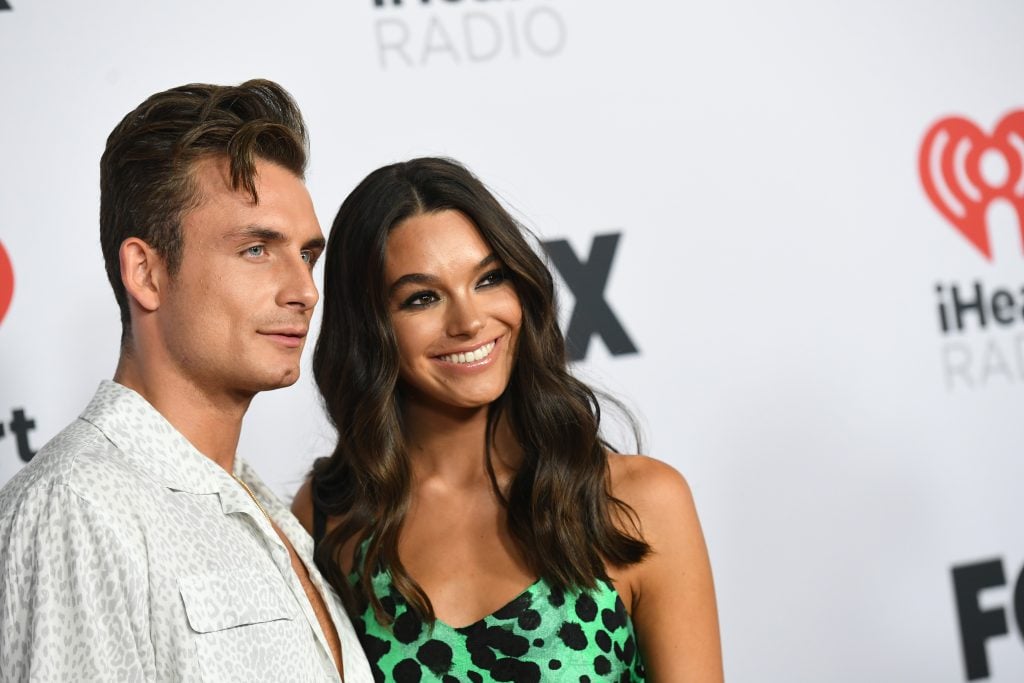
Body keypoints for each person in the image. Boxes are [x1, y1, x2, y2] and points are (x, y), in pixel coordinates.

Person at [293, 157, 722, 682]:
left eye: (489, 279)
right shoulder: (331, 516)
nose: (470, 321)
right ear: (369, 329)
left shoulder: (637, 502)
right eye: (422, 298)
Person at [0, 79, 372, 682]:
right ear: (145, 273)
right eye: (256, 249)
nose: (304, 290)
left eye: (307, 255)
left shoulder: (263, 506)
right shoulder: (77, 507)